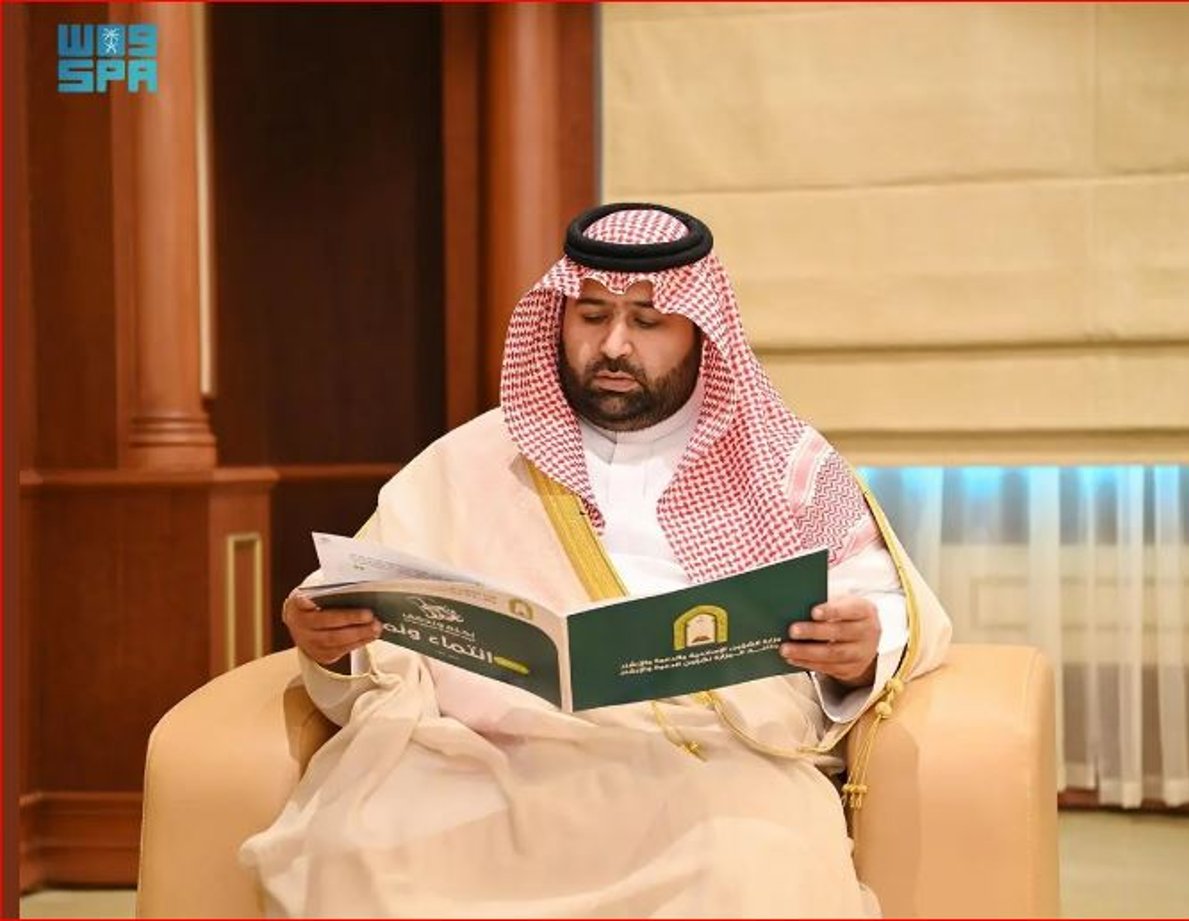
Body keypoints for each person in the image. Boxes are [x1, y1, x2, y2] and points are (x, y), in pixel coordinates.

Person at [240, 203, 952, 917]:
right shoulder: (472, 460)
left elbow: (889, 605)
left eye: (648, 321)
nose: (613, 345)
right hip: (487, 754)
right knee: (354, 844)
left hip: (708, 757)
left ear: (700, 332)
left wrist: (861, 649)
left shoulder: (786, 463)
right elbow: (372, 607)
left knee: (744, 861)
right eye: (591, 316)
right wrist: (332, 642)